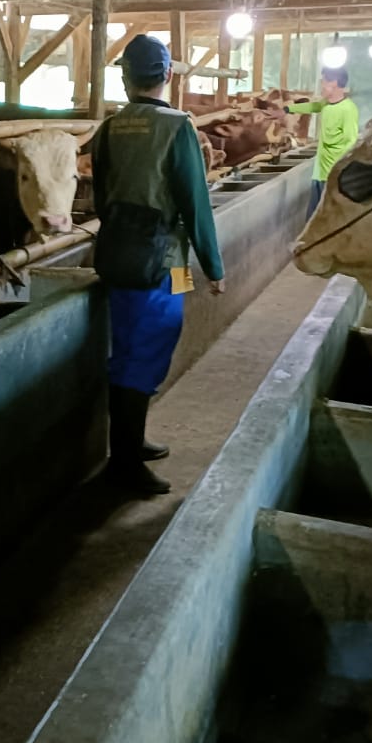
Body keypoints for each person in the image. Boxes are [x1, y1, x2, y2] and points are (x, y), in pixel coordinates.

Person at [91, 34, 226, 496]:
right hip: (168, 261)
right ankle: (124, 462)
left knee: (136, 346)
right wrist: (215, 266)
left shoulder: (109, 128)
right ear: (167, 75)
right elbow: (196, 203)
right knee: (146, 349)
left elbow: (99, 197)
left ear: (126, 78)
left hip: (122, 255)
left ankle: (133, 441)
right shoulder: (178, 126)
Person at [287, 66, 360, 216]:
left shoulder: (348, 109)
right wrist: (288, 109)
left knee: (329, 218)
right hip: (320, 173)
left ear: (333, 84)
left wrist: (343, 172)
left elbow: (351, 140)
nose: (321, 85)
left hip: (334, 175)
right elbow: (314, 106)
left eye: (323, 82)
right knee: (314, 218)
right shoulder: (326, 104)